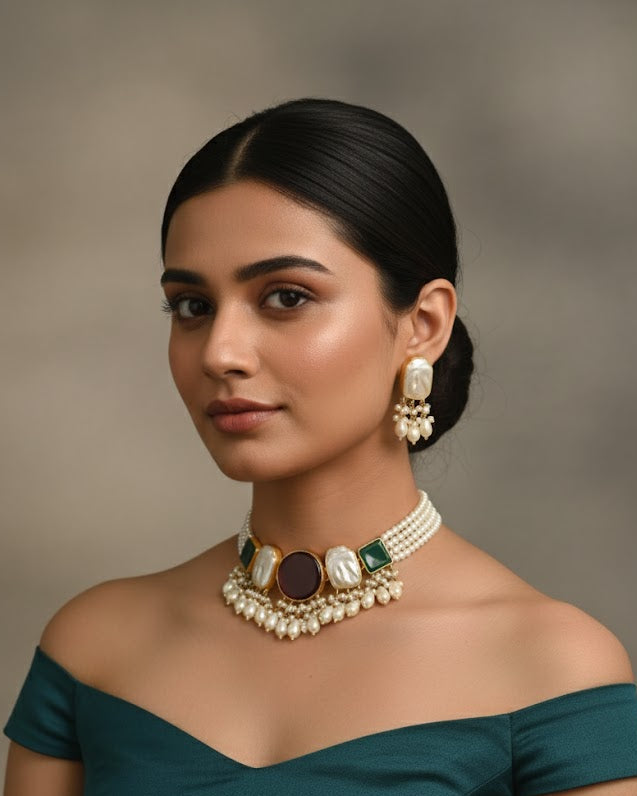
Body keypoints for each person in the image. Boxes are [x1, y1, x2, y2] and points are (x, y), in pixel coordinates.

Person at [3, 97, 637, 795]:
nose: (220, 352)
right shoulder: (94, 650)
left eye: (285, 297)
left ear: (422, 324)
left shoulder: (551, 668)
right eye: (192, 306)